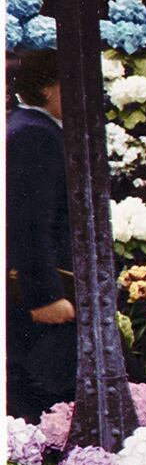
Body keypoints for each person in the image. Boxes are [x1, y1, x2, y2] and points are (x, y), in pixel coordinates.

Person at [6, 49, 76, 419]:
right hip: (41, 305)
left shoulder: (26, 127)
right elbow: (28, 222)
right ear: (49, 89)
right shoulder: (36, 134)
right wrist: (44, 297)